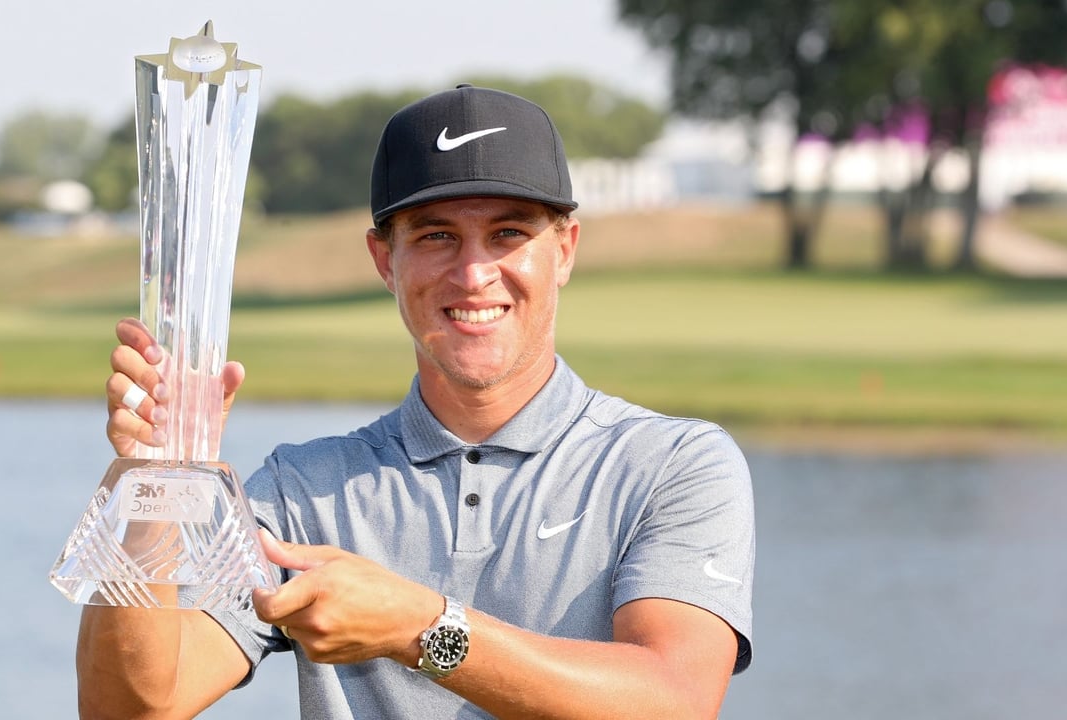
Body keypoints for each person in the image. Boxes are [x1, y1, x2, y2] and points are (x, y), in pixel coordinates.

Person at [82, 85, 755, 719]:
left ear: (566, 249)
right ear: (385, 259)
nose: (472, 273)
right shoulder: (300, 492)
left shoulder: (672, 464)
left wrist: (419, 627)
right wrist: (152, 489)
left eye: (509, 234)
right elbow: (135, 708)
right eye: (435, 235)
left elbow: (675, 699)